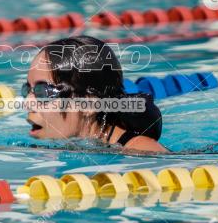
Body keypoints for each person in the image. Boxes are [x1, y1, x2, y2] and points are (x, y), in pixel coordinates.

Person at [23, 35, 168, 153]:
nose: (28, 103)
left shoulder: (141, 150)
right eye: (27, 89)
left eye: (43, 91)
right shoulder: (71, 145)